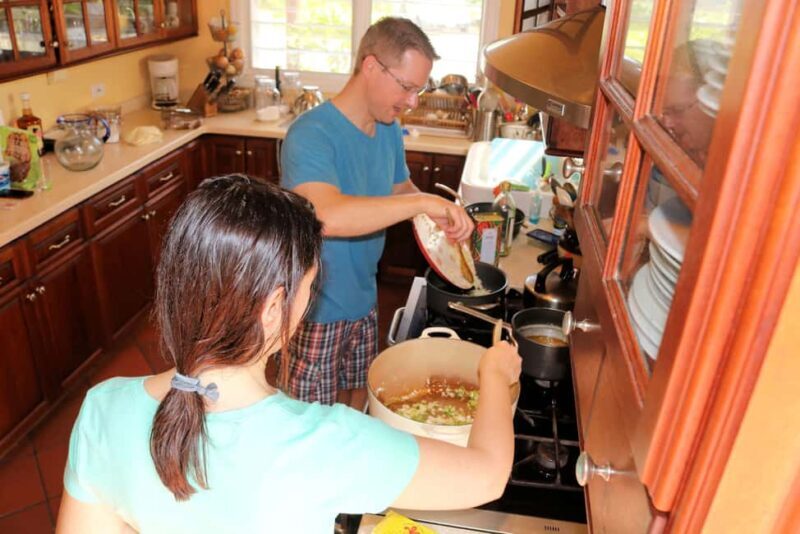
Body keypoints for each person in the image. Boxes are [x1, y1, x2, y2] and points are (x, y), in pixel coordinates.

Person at [55, 175, 521, 534]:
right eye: (309, 285)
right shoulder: (328, 444)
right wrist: (495, 374)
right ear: (274, 310)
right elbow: (487, 475)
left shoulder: (102, 407)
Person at [279, 17, 474, 409]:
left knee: (355, 403)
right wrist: (423, 203)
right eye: (407, 87)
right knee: (306, 419)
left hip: (363, 299)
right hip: (314, 308)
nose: (412, 101)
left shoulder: (387, 128)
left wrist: (438, 216)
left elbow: (398, 188)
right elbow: (326, 216)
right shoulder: (311, 134)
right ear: (371, 66)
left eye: (418, 90)